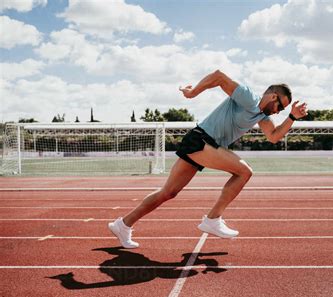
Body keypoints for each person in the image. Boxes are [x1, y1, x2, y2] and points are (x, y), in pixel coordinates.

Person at [108, 70, 308, 248]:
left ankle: (123, 224)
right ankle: (213, 219)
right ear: (273, 96)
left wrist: (291, 118)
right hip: (202, 139)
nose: (278, 112)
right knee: (244, 172)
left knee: (168, 193)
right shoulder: (248, 98)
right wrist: (192, 92)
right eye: (280, 107)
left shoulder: (261, 117)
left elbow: (273, 136)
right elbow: (219, 76)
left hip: (203, 145)